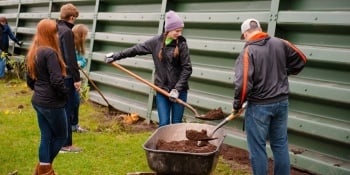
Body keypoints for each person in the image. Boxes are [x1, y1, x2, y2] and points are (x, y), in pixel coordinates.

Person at [232, 18, 307, 175]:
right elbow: (301, 59)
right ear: (260, 29)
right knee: (280, 144)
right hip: (281, 103)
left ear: (246, 33)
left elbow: (243, 84)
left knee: (257, 148)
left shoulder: (248, 51)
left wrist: (237, 105)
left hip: (259, 106)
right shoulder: (280, 43)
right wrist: (283, 73)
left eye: (244, 36)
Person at [105, 10, 192, 127]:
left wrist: (177, 89)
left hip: (179, 91)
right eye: (177, 31)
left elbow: (187, 68)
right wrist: (115, 56)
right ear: (168, 29)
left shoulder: (182, 44)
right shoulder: (156, 42)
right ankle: (163, 145)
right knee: (164, 124)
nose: (179, 33)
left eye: (181, 30)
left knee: (176, 124)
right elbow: (135, 50)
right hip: (162, 89)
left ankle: (175, 145)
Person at [26, 19, 68, 175]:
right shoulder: (49, 52)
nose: (58, 34)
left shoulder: (34, 51)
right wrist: (65, 95)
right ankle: (45, 169)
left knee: (46, 136)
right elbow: (56, 80)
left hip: (38, 100)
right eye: (56, 32)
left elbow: (29, 79)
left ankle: (42, 168)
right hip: (51, 103)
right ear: (50, 34)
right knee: (61, 136)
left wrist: (38, 90)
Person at [56, 3, 82, 152]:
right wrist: (76, 78)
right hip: (66, 76)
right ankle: (66, 144)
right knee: (67, 109)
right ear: (71, 17)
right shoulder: (67, 31)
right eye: (75, 18)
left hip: (56, 74)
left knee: (60, 108)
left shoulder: (55, 28)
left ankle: (58, 140)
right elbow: (70, 58)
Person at [71, 24, 88, 132]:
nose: (85, 38)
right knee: (72, 102)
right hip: (69, 77)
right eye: (84, 35)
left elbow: (83, 60)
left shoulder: (78, 47)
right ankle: (70, 126)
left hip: (75, 76)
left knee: (76, 102)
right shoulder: (68, 45)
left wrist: (79, 63)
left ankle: (74, 125)